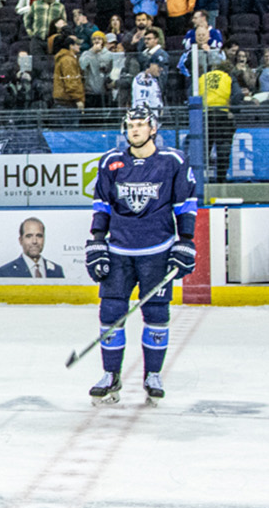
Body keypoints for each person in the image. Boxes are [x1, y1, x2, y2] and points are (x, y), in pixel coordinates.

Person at [84, 107, 197, 406]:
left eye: (140, 125)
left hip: (156, 251)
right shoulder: (111, 161)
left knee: (157, 314)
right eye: (130, 125)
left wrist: (185, 240)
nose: (134, 130)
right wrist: (97, 240)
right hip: (119, 250)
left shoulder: (173, 161)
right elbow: (102, 204)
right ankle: (110, 375)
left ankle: (153, 376)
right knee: (110, 313)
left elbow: (185, 204)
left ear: (153, 129)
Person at [0, 217, 65, 277]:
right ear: (21, 240)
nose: (34, 241)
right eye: (29, 236)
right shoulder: (5, 273)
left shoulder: (57, 271)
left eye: (39, 236)